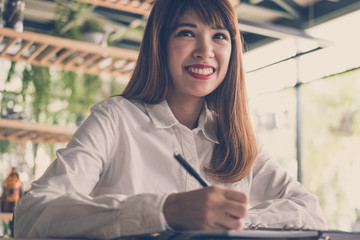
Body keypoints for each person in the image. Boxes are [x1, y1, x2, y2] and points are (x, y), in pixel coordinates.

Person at [14, 0, 327, 239]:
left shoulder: (236, 138)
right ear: (159, 44)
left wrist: (234, 217)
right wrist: (164, 210)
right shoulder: (116, 119)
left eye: (219, 36)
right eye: (187, 33)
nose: (205, 50)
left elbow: (309, 210)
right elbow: (32, 215)